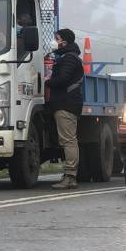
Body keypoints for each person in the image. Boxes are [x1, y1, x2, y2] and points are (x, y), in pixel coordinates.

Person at [46, 28, 84, 190]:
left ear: (65, 41)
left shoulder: (69, 58)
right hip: (65, 103)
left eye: (57, 38)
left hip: (66, 104)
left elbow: (62, 80)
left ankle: (70, 176)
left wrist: (48, 80)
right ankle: (69, 175)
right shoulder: (67, 57)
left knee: (68, 140)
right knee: (67, 139)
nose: (55, 41)